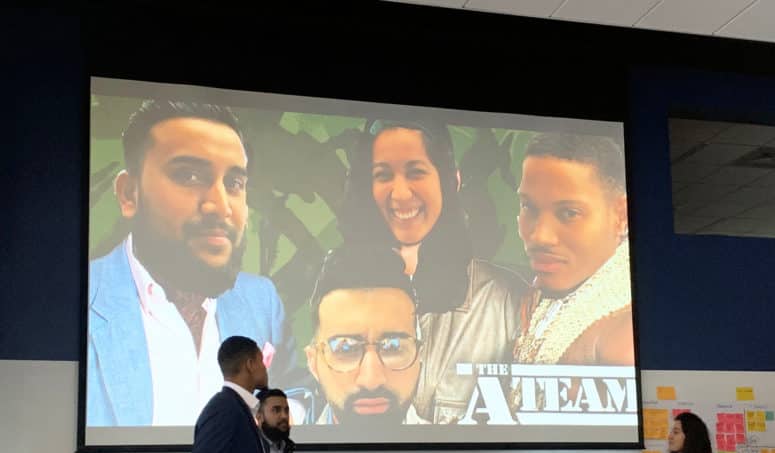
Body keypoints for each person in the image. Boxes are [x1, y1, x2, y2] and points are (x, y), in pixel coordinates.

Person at [87, 99, 295, 427]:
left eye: (234, 183)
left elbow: (296, 395)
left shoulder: (262, 301)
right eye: (189, 175)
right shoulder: (83, 300)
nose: (219, 205)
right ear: (129, 194)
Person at [340, 117, 527, 424]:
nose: (400, 194)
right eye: (382, 175)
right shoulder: (339, 296)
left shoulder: (503, 302)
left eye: (416, 172)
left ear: (451, 181)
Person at [513, 132, 633, 367]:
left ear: (621, 215)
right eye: (529, 206)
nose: (540, 236)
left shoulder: (620, 339)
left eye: (569, 213)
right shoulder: (546, 292)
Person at [305, 245, 425, 429]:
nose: (371, 380)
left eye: (392, 347)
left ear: (420, 356)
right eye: (346, 347)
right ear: (313, 363)